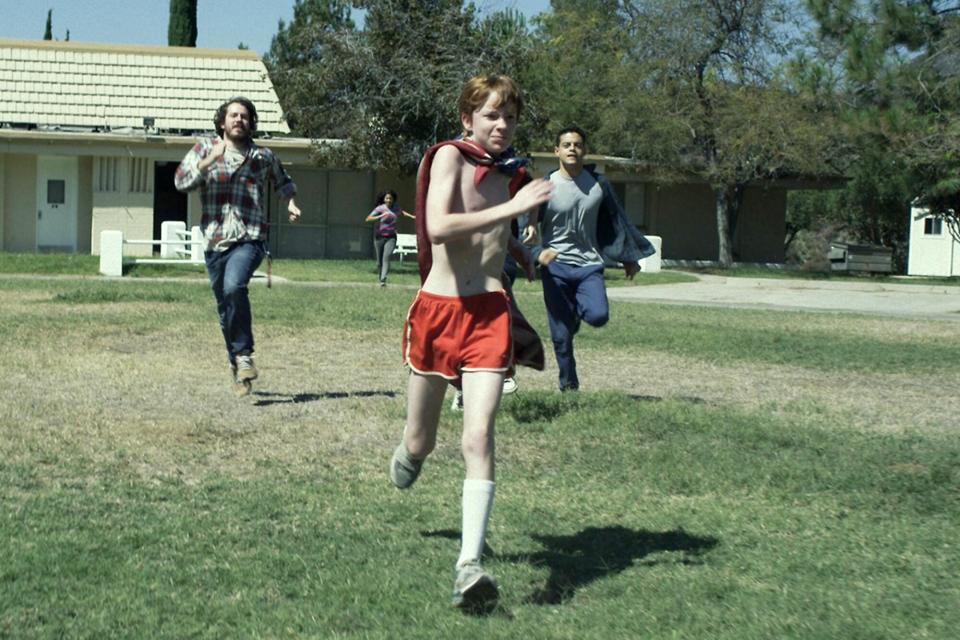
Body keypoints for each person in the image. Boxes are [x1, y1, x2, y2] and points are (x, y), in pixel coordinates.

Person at [388, 74, 553, 611]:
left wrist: (524, 257)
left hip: (488, 313)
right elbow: (438, 227)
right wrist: (513, 207)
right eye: (491, 115)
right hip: (439, 312)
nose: (501, 125)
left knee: (478, 436)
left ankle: (469, 566)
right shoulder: (449, 157)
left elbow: (492, 238)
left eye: (508, 116)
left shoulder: (513, 173)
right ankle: (411, 452)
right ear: (468, 118)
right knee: (420, 441)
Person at [175, 96, 302, 396]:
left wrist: (292, 203)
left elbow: (283, 181)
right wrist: (210, 160)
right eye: (233, 115)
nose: (239, 120)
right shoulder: (204, 148)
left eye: (244, 116)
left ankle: (244, 354)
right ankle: (238, 366)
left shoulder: (262, 156)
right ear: (222, 121)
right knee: (224, 309)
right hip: (215, 239)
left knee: (234, 288)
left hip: (251, 237)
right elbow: (182, 182)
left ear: (250, 123)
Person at [529, 126, 655, 391]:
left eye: (577, 144)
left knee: (598, 315)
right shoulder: (545, 186)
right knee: (561, 337)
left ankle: (575, 316)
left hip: (589, 264)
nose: (572, 149)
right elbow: (525, 227)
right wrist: (534, 254)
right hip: (555, 266)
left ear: (584, 150)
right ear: (557, 151)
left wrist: (628, 257)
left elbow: (616, 220)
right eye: (566, 145)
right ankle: (568, 384)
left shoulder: (600, 184)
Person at [365, 190, 414, 286]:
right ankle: (380, 278)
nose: (389, 200)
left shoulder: (396, 207)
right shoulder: (380, 208)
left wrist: (412, 216)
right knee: (379, 262)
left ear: (393, 199)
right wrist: (380, 216)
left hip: (391, 237)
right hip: (379, 237)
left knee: (386, 257)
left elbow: (401, 212)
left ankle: (383, 279)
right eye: (387, 198)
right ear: (384, 199)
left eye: (390, 198)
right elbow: (368, 219)